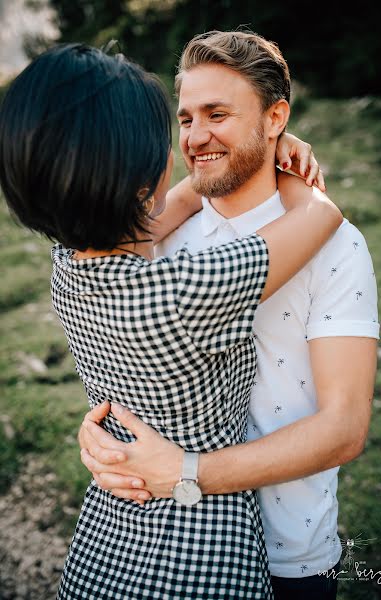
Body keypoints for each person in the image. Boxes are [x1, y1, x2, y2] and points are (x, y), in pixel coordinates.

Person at [0, 42, 342, 599]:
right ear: (143, 182)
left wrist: (261, 139)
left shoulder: (66, 264)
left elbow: (169, 205)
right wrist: (278, 149)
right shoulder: (188, 289)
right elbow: (319, 213)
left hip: (109, 544)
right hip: (203, 551)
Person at [78, 30, 379, 600]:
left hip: (290, 551)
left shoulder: (339, 248)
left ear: (275, 119)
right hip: (173, 547)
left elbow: (345, 427)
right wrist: (99, 432)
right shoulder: (156, 240)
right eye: (186, 118)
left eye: (217, 113)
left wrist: (188, 472)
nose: (195, 136)